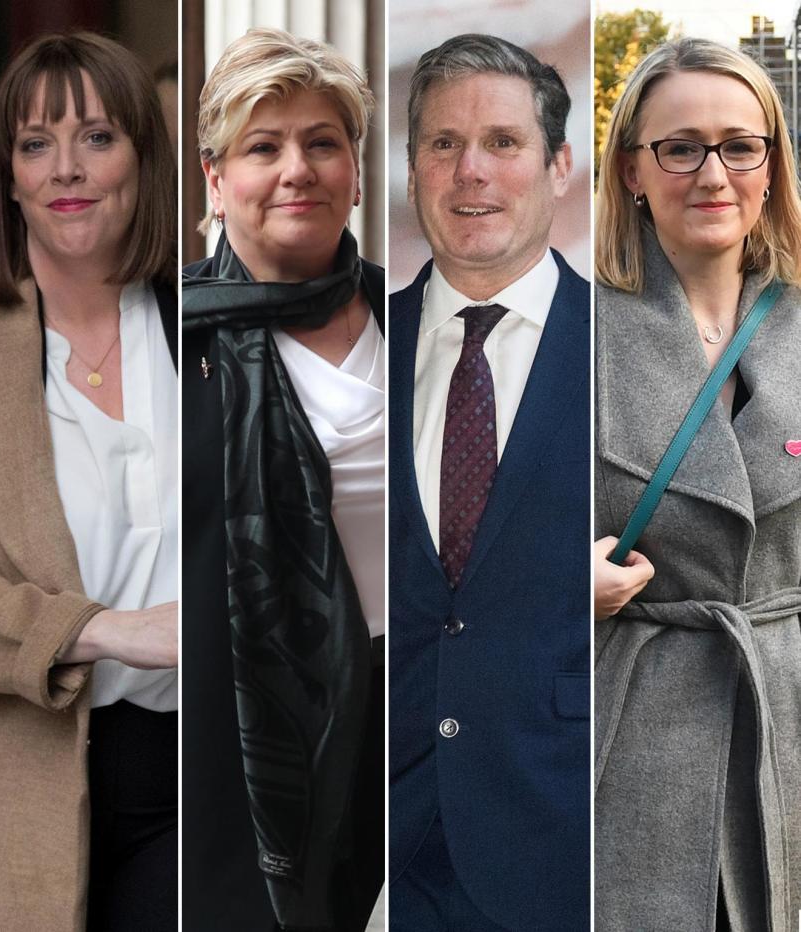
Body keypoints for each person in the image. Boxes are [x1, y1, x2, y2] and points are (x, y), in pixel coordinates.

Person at [593, 38, 801, 932]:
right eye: (680, 147)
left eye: (738, 145)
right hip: (624, 737)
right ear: (634, 170)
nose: (712, 173)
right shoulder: (565, 325)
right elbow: (459, 547)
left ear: (770, 165)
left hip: (788, 728)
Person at [0, 32, 178, 932]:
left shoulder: (210, 319)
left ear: (143, 154)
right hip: (21, 768)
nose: (67, 168)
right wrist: (100, 630)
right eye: (34, 143)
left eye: (97, 137)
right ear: (6, 174)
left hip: (204, 771)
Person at [182, 27, 383, 932]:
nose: (297, 168)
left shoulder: (426, 317)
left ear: (355, 168)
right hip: (236, 745)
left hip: (419, 721)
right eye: (263, 147)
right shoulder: (161, 338)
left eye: (323, 142)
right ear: (217, 180)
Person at [388, 34, 589, 931]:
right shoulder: (354, 351)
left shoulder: (633, 349)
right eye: (443, 144)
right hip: (377, 852)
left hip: (564, 841)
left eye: (503, 143)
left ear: (558, 167)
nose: (471, 173)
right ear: (412, 166)